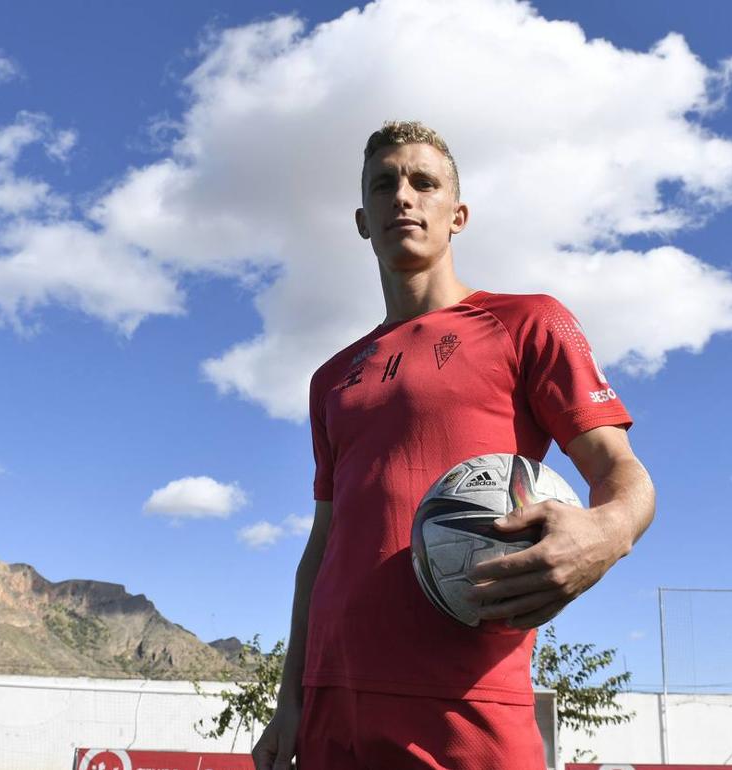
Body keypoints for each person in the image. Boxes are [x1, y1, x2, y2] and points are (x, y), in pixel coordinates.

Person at [252, 121, 656, 770]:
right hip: (330, 703)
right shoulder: (330, 378)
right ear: (362, 220)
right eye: (384, 185)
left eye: (423, 182)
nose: (403, 197)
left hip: (464, 700)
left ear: (457, 213)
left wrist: (607, 533)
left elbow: (621, 470)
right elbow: (322, 545)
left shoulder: (527, 322)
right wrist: (288, 700)